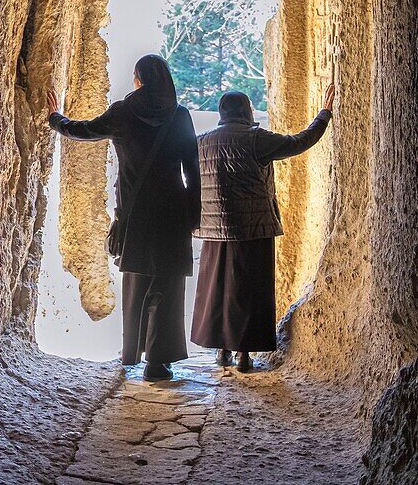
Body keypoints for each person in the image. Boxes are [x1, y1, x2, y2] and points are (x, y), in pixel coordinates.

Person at [47, 54, 201, 382]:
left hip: (137, 210)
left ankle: (133, 352)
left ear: (139, 80)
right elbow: (192, 170)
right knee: (168, 285)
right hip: (173, 210)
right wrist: (193, 214)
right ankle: (158, 364)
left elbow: (83, 131)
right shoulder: (180, 115)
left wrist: (55, 118)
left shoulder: (124, 112)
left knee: (137, 282)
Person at [190, 85, 335, 373]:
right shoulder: (256, 139)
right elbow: (299, 142)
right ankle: (244, 354)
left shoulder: (202, 142)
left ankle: (222, 350)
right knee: (249, 291)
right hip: (253, 227)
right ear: (247, 111)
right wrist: (324, 114)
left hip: (214, 229)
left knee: (218, 290)